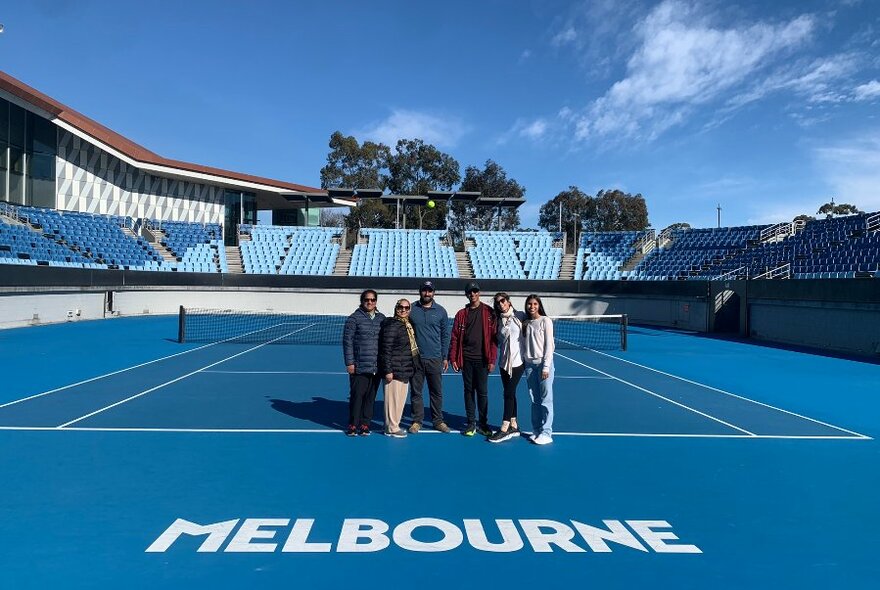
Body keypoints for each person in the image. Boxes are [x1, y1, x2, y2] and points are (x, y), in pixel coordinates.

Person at [449, 282, 497, 437]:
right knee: (468, 392)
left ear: (479, 293)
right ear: (467, 295)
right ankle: (471, 423)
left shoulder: (489, 312)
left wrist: (492, 359)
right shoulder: (461, 314)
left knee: (482, 393)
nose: (473, 294)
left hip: (483, 360)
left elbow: (494, 339)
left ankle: (483, 423)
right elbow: (455, 337)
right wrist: (453, 357)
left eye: (475, 291)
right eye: (470, 292)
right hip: (467, 360)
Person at [407, 280, 451, 433]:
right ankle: (417, 421)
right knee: (416, 392)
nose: (427, 293)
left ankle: (438, 421)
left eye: (430, 291)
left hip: (435, 358)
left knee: (436, 392)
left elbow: (445, 336)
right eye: (424, 290)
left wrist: (445, 357)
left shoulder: (441, 311)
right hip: (416, 359)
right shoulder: (411, 309)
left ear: (433, 292)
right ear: (420, 291)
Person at [342, 289, 385, 436]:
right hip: (359, 366)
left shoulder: (381, 319)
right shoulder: (354, 319)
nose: (370, 302)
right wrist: (350, 362)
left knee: (370, 397)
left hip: (376, 366)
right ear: (362, 301)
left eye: (373, 300)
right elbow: (347, 342)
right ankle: (353, 424)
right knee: (357, 396)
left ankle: (365, 424)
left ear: (376, 302)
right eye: (367, 299)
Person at [488, 292, 526, 443]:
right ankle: (514, 425)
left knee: (508, 393)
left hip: (517, 362)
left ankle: (504, 428)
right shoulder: (498, 320)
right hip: (504, 363)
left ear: (509, 301)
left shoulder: (520, 316)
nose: (501, 304)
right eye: (498, 303)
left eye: (503, 301)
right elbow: (497, 341)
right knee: (511, 393)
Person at [379, 299, 419, 438]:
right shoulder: (392, 325)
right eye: (400, 307)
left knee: (400, 401)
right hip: (394, 370)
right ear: (396, 308)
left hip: (405, 369)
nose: (404, 310)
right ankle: (391, 428)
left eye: (407, 308)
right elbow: (386, 349)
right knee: (392, 401)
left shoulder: (408, 324)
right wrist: (388, 370)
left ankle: (394, 425)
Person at [522, 294, 555, 445]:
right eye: (529, 304)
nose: (532, 306)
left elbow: (550, 345)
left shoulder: (545, 321)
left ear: (539, 305)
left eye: (535, 304)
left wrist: (546, 366)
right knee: (534, 400)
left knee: (545, 400)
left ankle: (547, 433)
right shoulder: (526, 323)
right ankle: (536, 430)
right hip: (529, 366)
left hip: (543, 365)